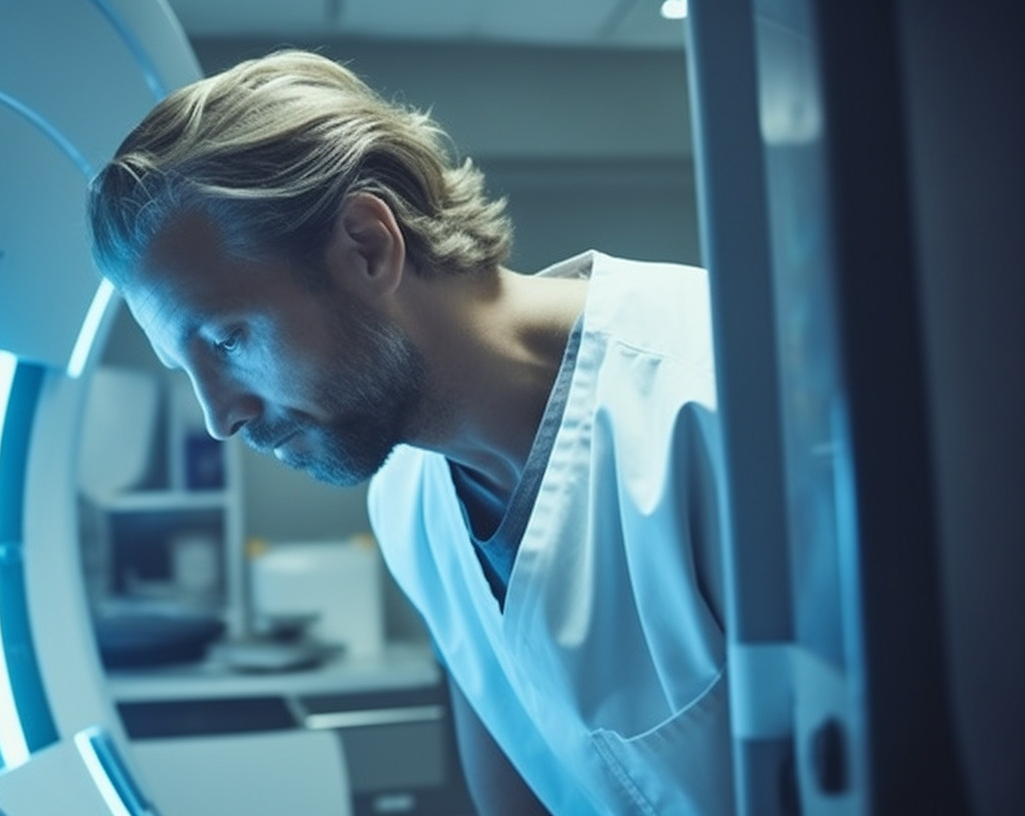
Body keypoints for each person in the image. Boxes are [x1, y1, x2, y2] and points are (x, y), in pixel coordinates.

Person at [86, 49, 733, 816]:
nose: (221, 417)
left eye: (227, 341)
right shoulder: (405, 500)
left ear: (368, 245)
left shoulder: (717, 397)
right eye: (187, 369)